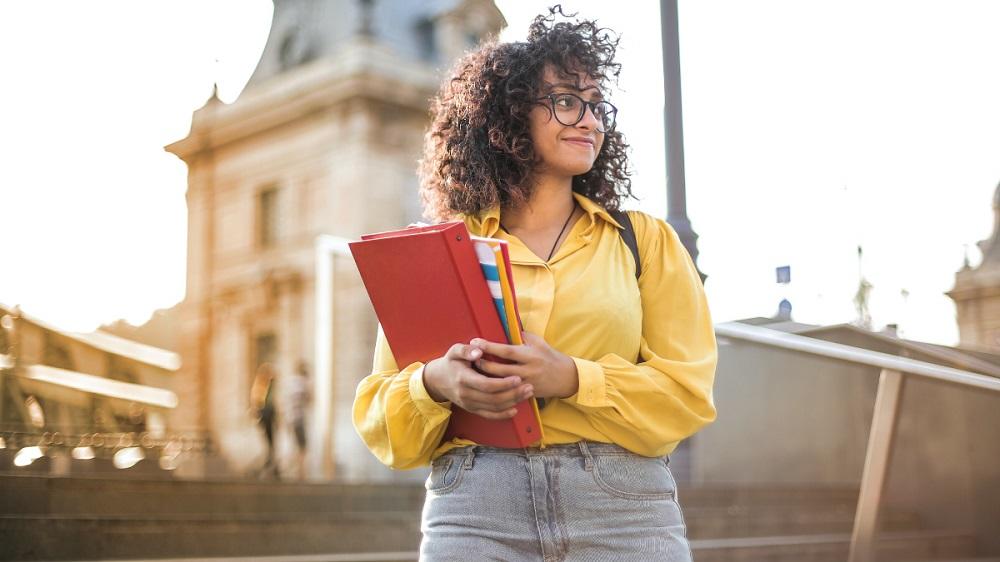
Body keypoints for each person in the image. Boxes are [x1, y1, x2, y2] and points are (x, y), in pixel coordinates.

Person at [353, 7, 717, 561]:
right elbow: (383, 417)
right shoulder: (442, 252)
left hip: (622, 506)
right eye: (567, 100)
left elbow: (687, 395)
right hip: (474, 505)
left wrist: (572, 377)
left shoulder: (644, 241)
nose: (590, 120)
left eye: (597, 105)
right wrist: (435, 383)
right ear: (509, 114)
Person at [250, 362, 279, 479]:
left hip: (268, 415)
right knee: (269, 441)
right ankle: (269, 462)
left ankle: (271, 462)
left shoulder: (268, 386)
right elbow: (257, 403)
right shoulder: (261, 386)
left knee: (271, 442)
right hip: (265, 415)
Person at [286, 360, 312, 480]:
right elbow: (309, 399)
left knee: (296, 444)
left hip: (290, 418)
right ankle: (300, 472)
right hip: (299, 418)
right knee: (302, 446)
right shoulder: (302, 383)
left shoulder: (291, 382)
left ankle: (298, 470)